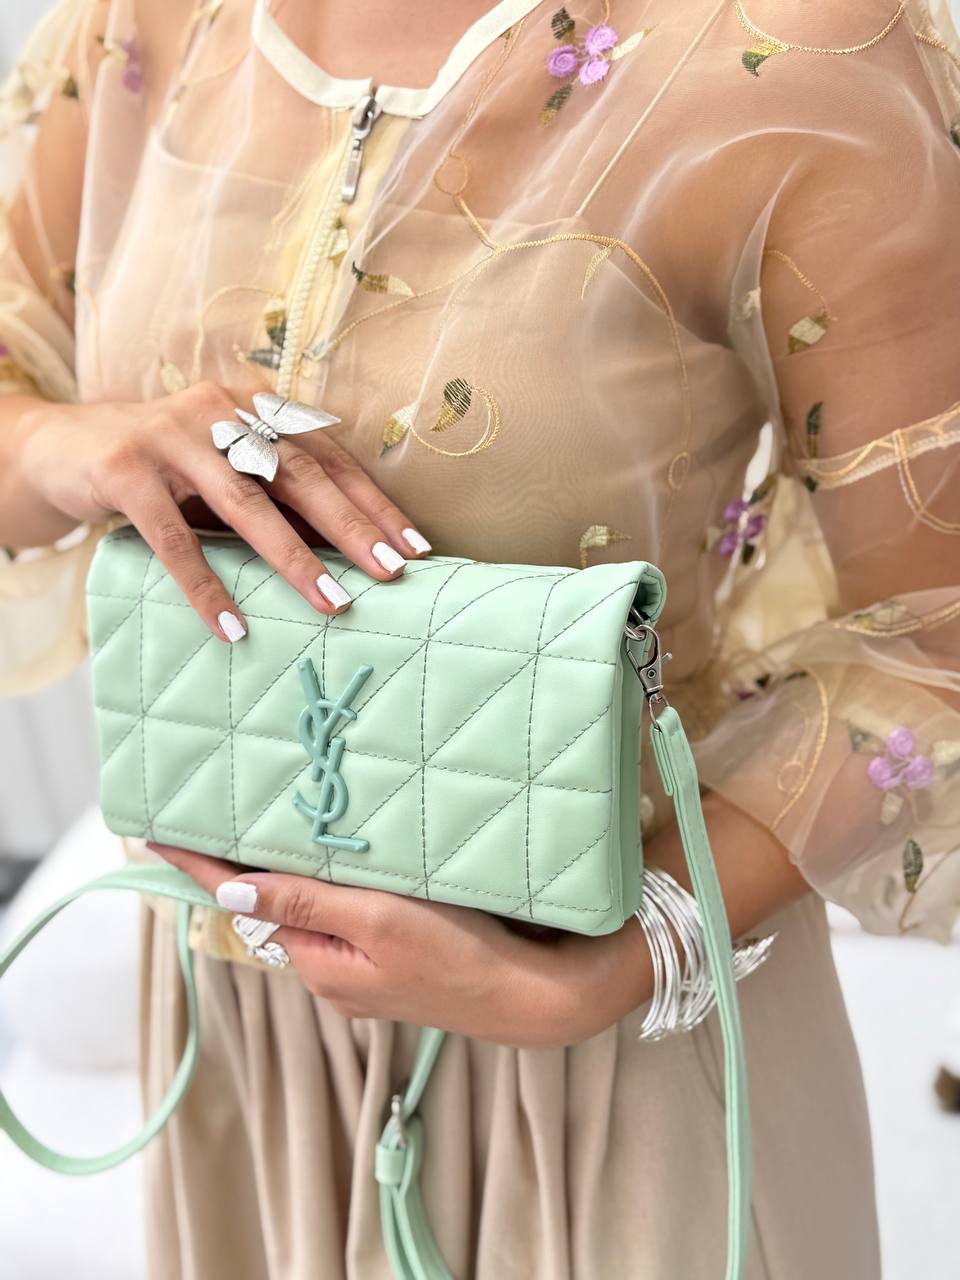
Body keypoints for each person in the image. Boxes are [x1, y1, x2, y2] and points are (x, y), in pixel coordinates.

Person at [1, 0, 958, 1276]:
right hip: (239, 1047)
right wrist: (58, 443)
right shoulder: (138, 22)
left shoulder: (795, 48)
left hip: (613, 1061)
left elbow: (936, 643)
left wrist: (616, 963)